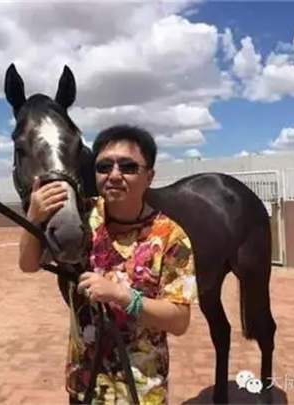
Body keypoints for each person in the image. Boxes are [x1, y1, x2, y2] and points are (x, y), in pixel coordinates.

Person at [18, 125, 198, 405]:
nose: (114, 175)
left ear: (149, 176)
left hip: (140, 390)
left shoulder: (170, 236)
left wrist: (122, 296)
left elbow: (178, 320)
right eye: (104, 167)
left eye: (128, 167)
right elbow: (28, 264)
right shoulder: (80, 218)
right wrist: (33, 218)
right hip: (84, 385)